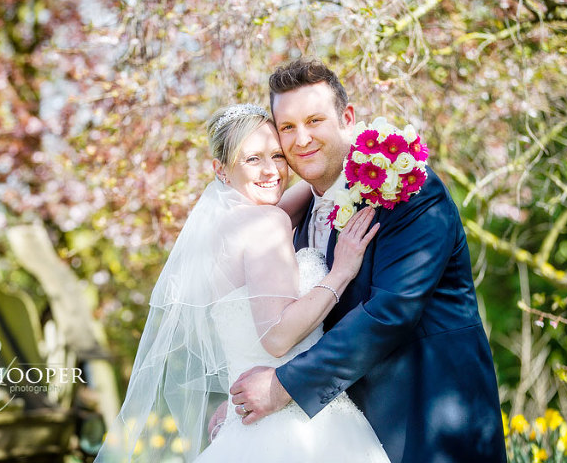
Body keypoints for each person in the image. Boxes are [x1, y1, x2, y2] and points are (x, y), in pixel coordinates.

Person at [228, 58, 507, 463]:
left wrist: (281, 387)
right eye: (287, 127)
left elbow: (392, 311)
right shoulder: (299, 216)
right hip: (346, 436)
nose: (301, 139)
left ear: (347, 118)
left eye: (315, 120)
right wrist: (241, 408)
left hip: (429, 422)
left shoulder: (407, 189)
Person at [95, 103, 389, 462]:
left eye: (278, 156)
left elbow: (315, 191)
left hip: (248, 425)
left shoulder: (223, 229)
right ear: (221, 169)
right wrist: (340, 272)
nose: (271, 171)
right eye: (252, 160)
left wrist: (353, 153)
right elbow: (277, 337)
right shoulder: (266, 224)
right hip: (299, 426)